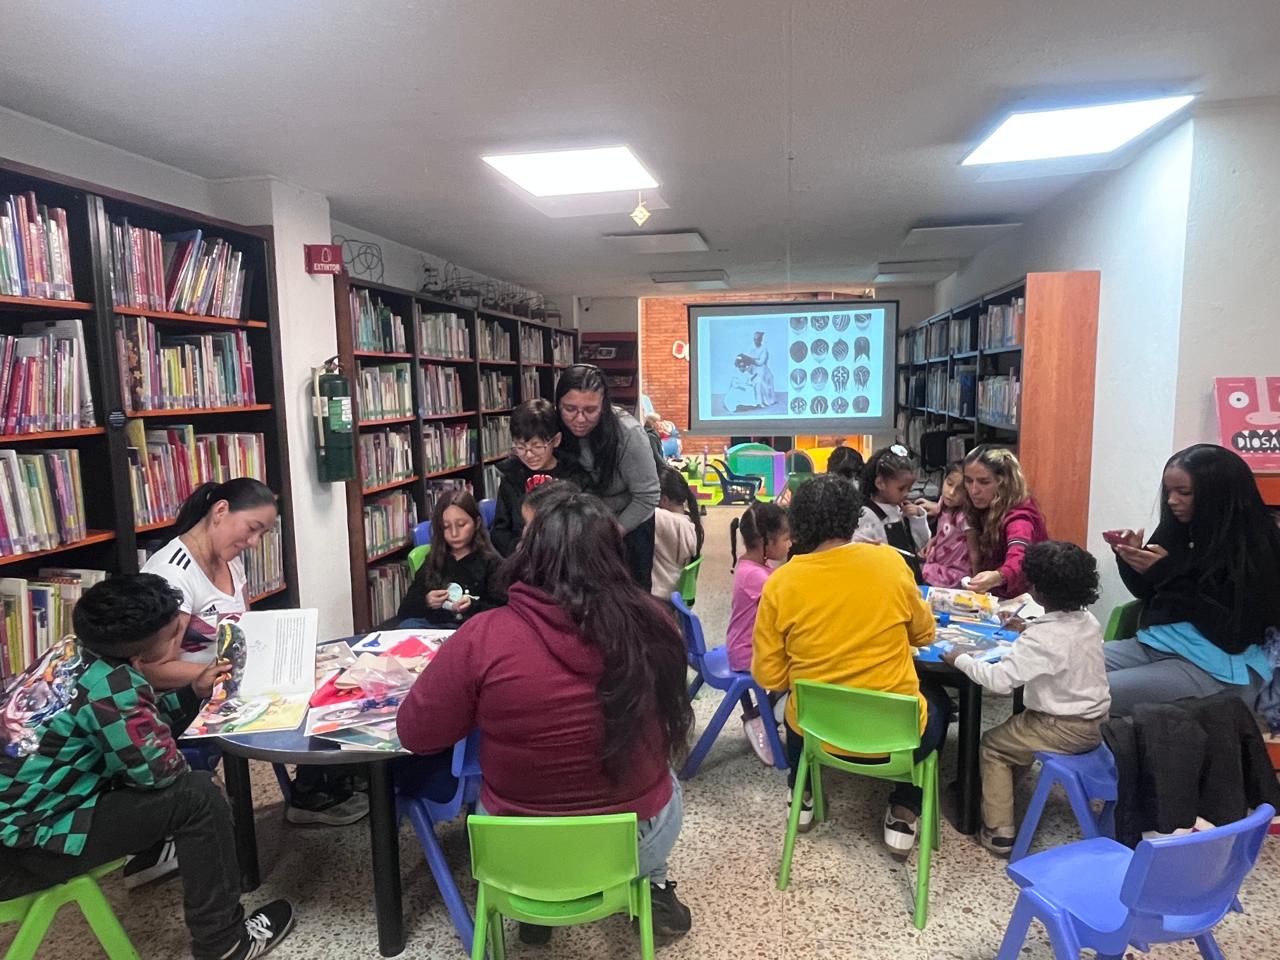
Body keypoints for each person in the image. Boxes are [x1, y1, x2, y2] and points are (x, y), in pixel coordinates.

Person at [396, 492, 694, 943]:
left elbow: (416, 733)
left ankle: (536, 901)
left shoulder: (484, 635)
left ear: (529, 555)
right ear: (613, 556)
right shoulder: (656, 624)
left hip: (516, 846)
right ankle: (651, 883)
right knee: (664, 780)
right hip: (632, 838)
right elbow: (668, 722)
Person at [0, 574, 295, 960]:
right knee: (199, 797)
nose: (182, 638)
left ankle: (152, 862)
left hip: (18, 823)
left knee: (175, 787)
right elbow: (159, 773)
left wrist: (192, 694)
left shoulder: (70, 652)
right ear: (141, 659)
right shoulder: (116, 686)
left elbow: (128, 728)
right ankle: (225, 943)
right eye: (176, 635)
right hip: (24, 850)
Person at [141, 479, 367, 844]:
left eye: (261, 533)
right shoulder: (172, 573)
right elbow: (152, 667)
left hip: (228, 679)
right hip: (186, 697)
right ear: (220, 512)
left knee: (327, 679)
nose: (253, 542)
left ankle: (330, 781)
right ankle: (312, 793)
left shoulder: (230, 564)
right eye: (252, 529)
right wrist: (208, 673)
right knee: (302, 700)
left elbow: (245, 628)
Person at [752, 475, 948, 855]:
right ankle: (904, 811)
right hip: (897, 735)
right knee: (937, 700)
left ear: (798, 523)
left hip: (817, 733)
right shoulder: (889, 563)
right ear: (853, 518)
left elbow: (769, 675)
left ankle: (802, 793)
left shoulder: (780, 583)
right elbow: (924, 636)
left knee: (796, 704)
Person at [942, 541, 1111, 856]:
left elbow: (999, 682)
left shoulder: (1041, 638)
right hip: (1094, 724)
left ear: (1036, 590)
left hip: (1058, 727)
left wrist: (960, 659)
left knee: (993, 746)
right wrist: (1028, 629)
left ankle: (998, 831)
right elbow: (1060, 644)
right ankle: (997, 792)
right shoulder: (1088, 622)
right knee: (1014, 732)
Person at [1103, 443, 1280, 716]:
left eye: (1184, 492)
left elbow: (1231, 633)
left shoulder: (1257, 547)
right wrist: (1129, 559)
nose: (1172, 500)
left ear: (1216, 495)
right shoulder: (1177, 529)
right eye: (1169, 491)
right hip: (1157, 644)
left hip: (1218, 665)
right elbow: (1148, 593)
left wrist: (1168, 574)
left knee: (1088, 693)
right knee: (1063, 668)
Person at [555, 364, 661, 589]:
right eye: (570, 408)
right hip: (577, 531)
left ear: (604, 406)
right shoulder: (552, 428)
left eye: (590, 410)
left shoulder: (628, 434)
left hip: (627, 528)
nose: (580, 418)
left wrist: (608, 535)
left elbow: (647, 496)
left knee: (628, 601)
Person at [727, 500, 792, 765]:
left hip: (743, 646)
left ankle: (767, 713)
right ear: (766, 541)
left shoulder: (751, 566)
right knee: (806, 668)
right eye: (786, 538)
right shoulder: (757, 577)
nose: (789, 544)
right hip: (748, 654)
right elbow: (787, 610)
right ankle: (763, 719)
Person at [489, 398, 589, 556]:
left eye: (537, 446)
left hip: (567, 558)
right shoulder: (512, 477)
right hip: (522, 559)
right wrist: (517, 547)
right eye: (520, 447)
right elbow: (500, 530)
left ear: (556, 440)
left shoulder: (573, 475)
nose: (529, 454)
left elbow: (585, 524)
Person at [395, 490, 505, 626]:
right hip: (435, 630)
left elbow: (502, 613)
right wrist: (427, 601)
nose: (454, 533)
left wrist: (473, 606)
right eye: (446, 527)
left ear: (476, 523)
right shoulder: (434, 560)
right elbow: (404, 611)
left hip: (471, 630)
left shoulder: (491, 563)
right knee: (408, 625)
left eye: (461, 525)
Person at [963, 445, 1048, 597]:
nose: (974, 490)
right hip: (997, 595)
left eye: (984, 482)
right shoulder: (982, 506)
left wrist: (1000, 576)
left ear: (1004, 483)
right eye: (968, 481)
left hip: (1025, 600)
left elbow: (1020, 556)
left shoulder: (1020, 519)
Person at [853, 445, 930, 581]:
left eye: (910, 489)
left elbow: (923, 543)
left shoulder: (902, 510)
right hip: (885, 580)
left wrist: (917, 518)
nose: (906, 493)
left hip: (908, 577)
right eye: (901, 489)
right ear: (880, 483)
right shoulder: (866, 515)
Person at [651, 468, 704, 603]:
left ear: (664, 500)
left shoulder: (663, 519)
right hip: (675, 593)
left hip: (660, 596)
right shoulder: (689, 521)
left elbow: (642, 508)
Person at [921, 461, 971, 587]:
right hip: (938, 562)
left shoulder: (965, 517)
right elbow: (942, 530)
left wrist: (975, 583)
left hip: (955, 572)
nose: (951, 492)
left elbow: (974, 552)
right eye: (949, 484)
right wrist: (934, 540)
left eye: (960, 490)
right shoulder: (943, 503)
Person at [744, 330, 777, 407]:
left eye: (757, 339)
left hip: (761, 368)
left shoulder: (764, 349)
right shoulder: (750, 347)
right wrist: (747, 359)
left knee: (760, 379)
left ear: (761, 340)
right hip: (752, 368)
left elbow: (761, 362)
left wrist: (751, 359)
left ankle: (763, 401)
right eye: (754, 339)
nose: (756, 341)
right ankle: (751, 400)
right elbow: (747, 356)